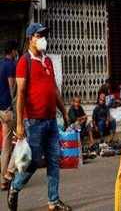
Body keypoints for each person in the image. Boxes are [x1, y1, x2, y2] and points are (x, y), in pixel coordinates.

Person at [8, 23, 71, 211]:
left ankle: (53, 201)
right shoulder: (24, 62)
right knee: (33, 161)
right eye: (39, 35)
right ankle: (15, 186)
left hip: (51, 120)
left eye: (44, 35)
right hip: (33, 121)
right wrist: (19, 125)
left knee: (53, 160)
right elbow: (20, 94)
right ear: (30, 38)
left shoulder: (48, 60)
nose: (43, 38)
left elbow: (54, 90)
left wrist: (64, 112)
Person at [0, 40, 18, 190]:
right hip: (9, 109)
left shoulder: (0, 64)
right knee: (20, 139)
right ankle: (9, 172)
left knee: (5, 147)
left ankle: (3, 180)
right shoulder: (11, 65)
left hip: (1, 110)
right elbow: (12, 87)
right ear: (12, 51)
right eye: (15, 51)